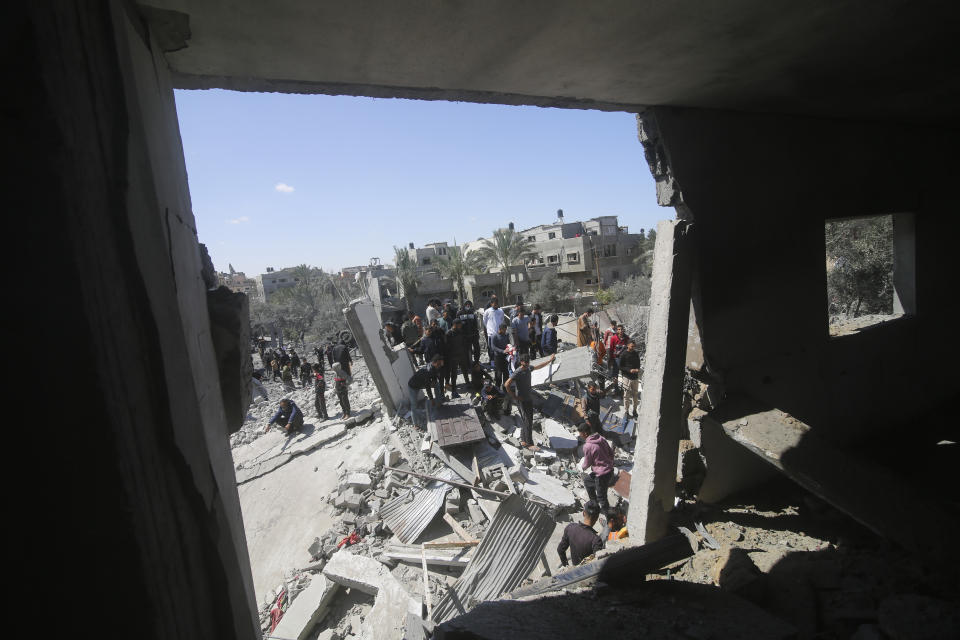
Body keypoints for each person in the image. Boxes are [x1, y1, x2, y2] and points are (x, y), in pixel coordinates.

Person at [504, 352, 556, 449]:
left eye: (528, 362)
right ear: (521, 362)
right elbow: (507, 384)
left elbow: (538, 366)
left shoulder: (528, 368)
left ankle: (524, 440)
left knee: (526, 420)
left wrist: (549, 360)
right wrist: (514, 397)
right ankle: (529, 443)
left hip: (528, 398)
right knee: (528, 420)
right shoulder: (518, 372)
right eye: (525, 362)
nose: (527, 364)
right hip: (522, 400)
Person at [578, 421, 614, 511]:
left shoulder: (588, 446)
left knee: (602, 498)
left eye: (581, 434)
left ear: (585, 433)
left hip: (602, 475)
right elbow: (611, 452)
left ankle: (609, 518)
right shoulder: (601, 439)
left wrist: (582, 467)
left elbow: (587, 462)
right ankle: (594, 504)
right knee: (587, 481)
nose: (580, 436)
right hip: (609, 470)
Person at [557, 500, 604, 567]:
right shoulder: (596, 540)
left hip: (575, 570)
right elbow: (598, 563)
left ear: (583, 513)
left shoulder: (570, 528)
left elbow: (560, 550)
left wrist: (566, 566)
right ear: (597, 517)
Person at [407, 355, 443, 428]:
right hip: (413, 386)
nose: (441, 365)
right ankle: (415, 424)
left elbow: (435, 376)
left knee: (437, 385)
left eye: (441, 364)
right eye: (439, 364)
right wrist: (432, 399)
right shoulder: (427, 371)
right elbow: (428, 387)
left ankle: (439, 403)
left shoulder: (434, 366)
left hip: (422, 382)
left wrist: (434, 381)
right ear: (435, 363)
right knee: (414, 405)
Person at [444, 318, 471, 397]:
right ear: (455, 325)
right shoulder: (448, 333)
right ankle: (454, 391)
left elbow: (464, 342)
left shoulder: (461, 332)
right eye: (460, 324)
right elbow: (446, 347)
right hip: (453, 357)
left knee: (465, 370)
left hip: (462, 355)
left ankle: (467, 382)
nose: (461, 325)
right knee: (454, 374)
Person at [618, 339, 642, 419]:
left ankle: (634, 410)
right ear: (628, 345)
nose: (633, 348)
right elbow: (620, 366)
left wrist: (637, 369)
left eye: (634, 347)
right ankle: (626, 411)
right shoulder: (624, 354)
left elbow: (638, 363)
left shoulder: (635, 354)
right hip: (627, 377)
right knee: (626, 395)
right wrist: (629, 370)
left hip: (635, 377)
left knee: (635, 395)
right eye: (631, 346)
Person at [457, 300, 482, 364]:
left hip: (474, 334)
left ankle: (476, 361)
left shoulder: (473, 313)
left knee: (477, 349)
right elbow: (457, 325)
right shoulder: (459, 313)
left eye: (469, 304)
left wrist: (477, 333)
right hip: (465, 336)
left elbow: (476, 324)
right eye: (466, 304)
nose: (468, 306)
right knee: (467, 350)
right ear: (464, 305)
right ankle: (469, 363)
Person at [482, 297, 505, 364]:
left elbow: (502, 320)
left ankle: (500, 361)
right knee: (491, 349)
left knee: (499, 348)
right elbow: (484, 322)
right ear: (491, 304)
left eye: (497, 304)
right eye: (495, 304)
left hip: (499, 333)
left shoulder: (500, 311)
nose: (496, 305)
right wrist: (489, 329)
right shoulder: (487, 312)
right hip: (491, 334)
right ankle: (492, 362)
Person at [607, 324, 627, 396]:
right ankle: (616, 390)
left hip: (624, 360)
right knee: (615, 376)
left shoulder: (627, 338)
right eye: (619, 329)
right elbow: (611, 350)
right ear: (617, 330)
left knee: (624, 376)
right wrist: (610, 361)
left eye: (622, 329)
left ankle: (623, 391)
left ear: (623, 330)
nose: (620, 331)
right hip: (616, 360)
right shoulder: (613, 338)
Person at [489, 322, 511, 388]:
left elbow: (508, 343)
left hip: (505, 357)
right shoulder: (494, 336)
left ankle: (505, 388)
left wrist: (510, 348)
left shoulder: (506, 334)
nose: (505, 331)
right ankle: (497, 389)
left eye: (506, 329)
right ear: (500, 329)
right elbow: (493, 347)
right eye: (504, 329)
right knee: (498, 374)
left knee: (506, 373)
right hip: (498, 358)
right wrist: (502, 351)